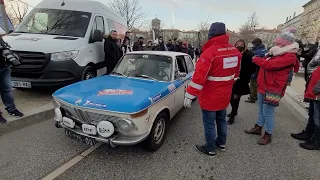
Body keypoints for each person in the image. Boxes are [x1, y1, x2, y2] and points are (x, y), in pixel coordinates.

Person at [184, 22, 242, 156]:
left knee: (209, 123)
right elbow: (236, 75)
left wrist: (189, 95)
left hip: (210, 97)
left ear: (211, 35)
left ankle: (210, 148)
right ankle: (221, 143)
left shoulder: (209, 53)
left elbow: (199, 78)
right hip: (224, 94)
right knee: (221, 119)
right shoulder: (236, 52)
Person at [245, 28, 300, 145]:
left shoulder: (290, 56)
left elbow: (270, 65)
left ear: (285, 43)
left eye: (279, 42)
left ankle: (268, 134)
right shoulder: (276, 52)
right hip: (263, 86)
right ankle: (259, 127)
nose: (276, 44)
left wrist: (256, 59)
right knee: (261, 109)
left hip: (274, 88)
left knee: (268, 112)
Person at [291, 47, 320, 144]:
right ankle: (309, 134)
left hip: (317, 91)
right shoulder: (317, 49)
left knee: (317, 117)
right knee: (312, 114)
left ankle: (316, 141)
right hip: (314, 89)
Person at [227, 39, 255, 125]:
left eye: (241, 44)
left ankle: (233, 115)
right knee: (231, 98)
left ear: (244, 46)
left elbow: (253, 68)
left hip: (241, 80)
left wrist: (245, 73)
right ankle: (234, 111)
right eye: (237, 44)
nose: (239, 46)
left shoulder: (248, 55)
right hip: (232, 79)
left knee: (235, 98)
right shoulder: (232, 54)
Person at [0, 36, 24, 123]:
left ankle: (11, 109)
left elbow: (4, 47)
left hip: (4, 66)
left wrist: (10, 56)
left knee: (7, 89)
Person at [246, 38, 267, 103]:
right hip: (263, 70)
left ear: (256, 44)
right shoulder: (265, 50)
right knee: (259, 84)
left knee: (253, 84)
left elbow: (254, 62)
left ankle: (253, 97)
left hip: (256, 70)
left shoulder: (257, 52)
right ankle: (256, 96)